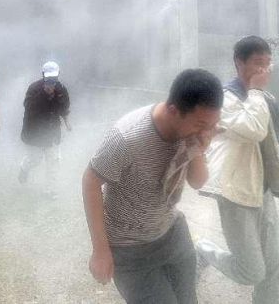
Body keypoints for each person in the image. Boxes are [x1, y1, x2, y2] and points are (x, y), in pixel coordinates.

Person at [82, 69, 224, 304]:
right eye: (201, 124)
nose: (207, 131)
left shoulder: (193, 133)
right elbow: (91, 181)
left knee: (188, 300)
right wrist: (100, 251)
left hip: (172, 233)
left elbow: (197, 181)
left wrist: (198, 148)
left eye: (212, 124)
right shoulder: (127, 138)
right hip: (130, 250)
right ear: (174, 111)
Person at [196, 36, 279, 303]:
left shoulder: (263, 97)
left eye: (267, 62)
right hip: (235, 193)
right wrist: (256, 91)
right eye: (257, 62)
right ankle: (203, 250)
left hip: (262, 190)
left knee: (275, 266)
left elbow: (272, 146)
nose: (263, 69)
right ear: (238, 63)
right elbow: (254, 130)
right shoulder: (223, 98)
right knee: (251, 271)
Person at [18, 61, 72, 200]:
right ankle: (24, 168)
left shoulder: (62, 89)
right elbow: (28, 107)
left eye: (54, 77)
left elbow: (64, 109)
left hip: (52, 132)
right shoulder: (34, 88)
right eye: (49, 77)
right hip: (34, 133)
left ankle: (50, 190)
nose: (52, 80)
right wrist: (44, 94)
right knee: (35, 160)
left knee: (54, 161)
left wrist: (67, 123)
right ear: (43, 75)